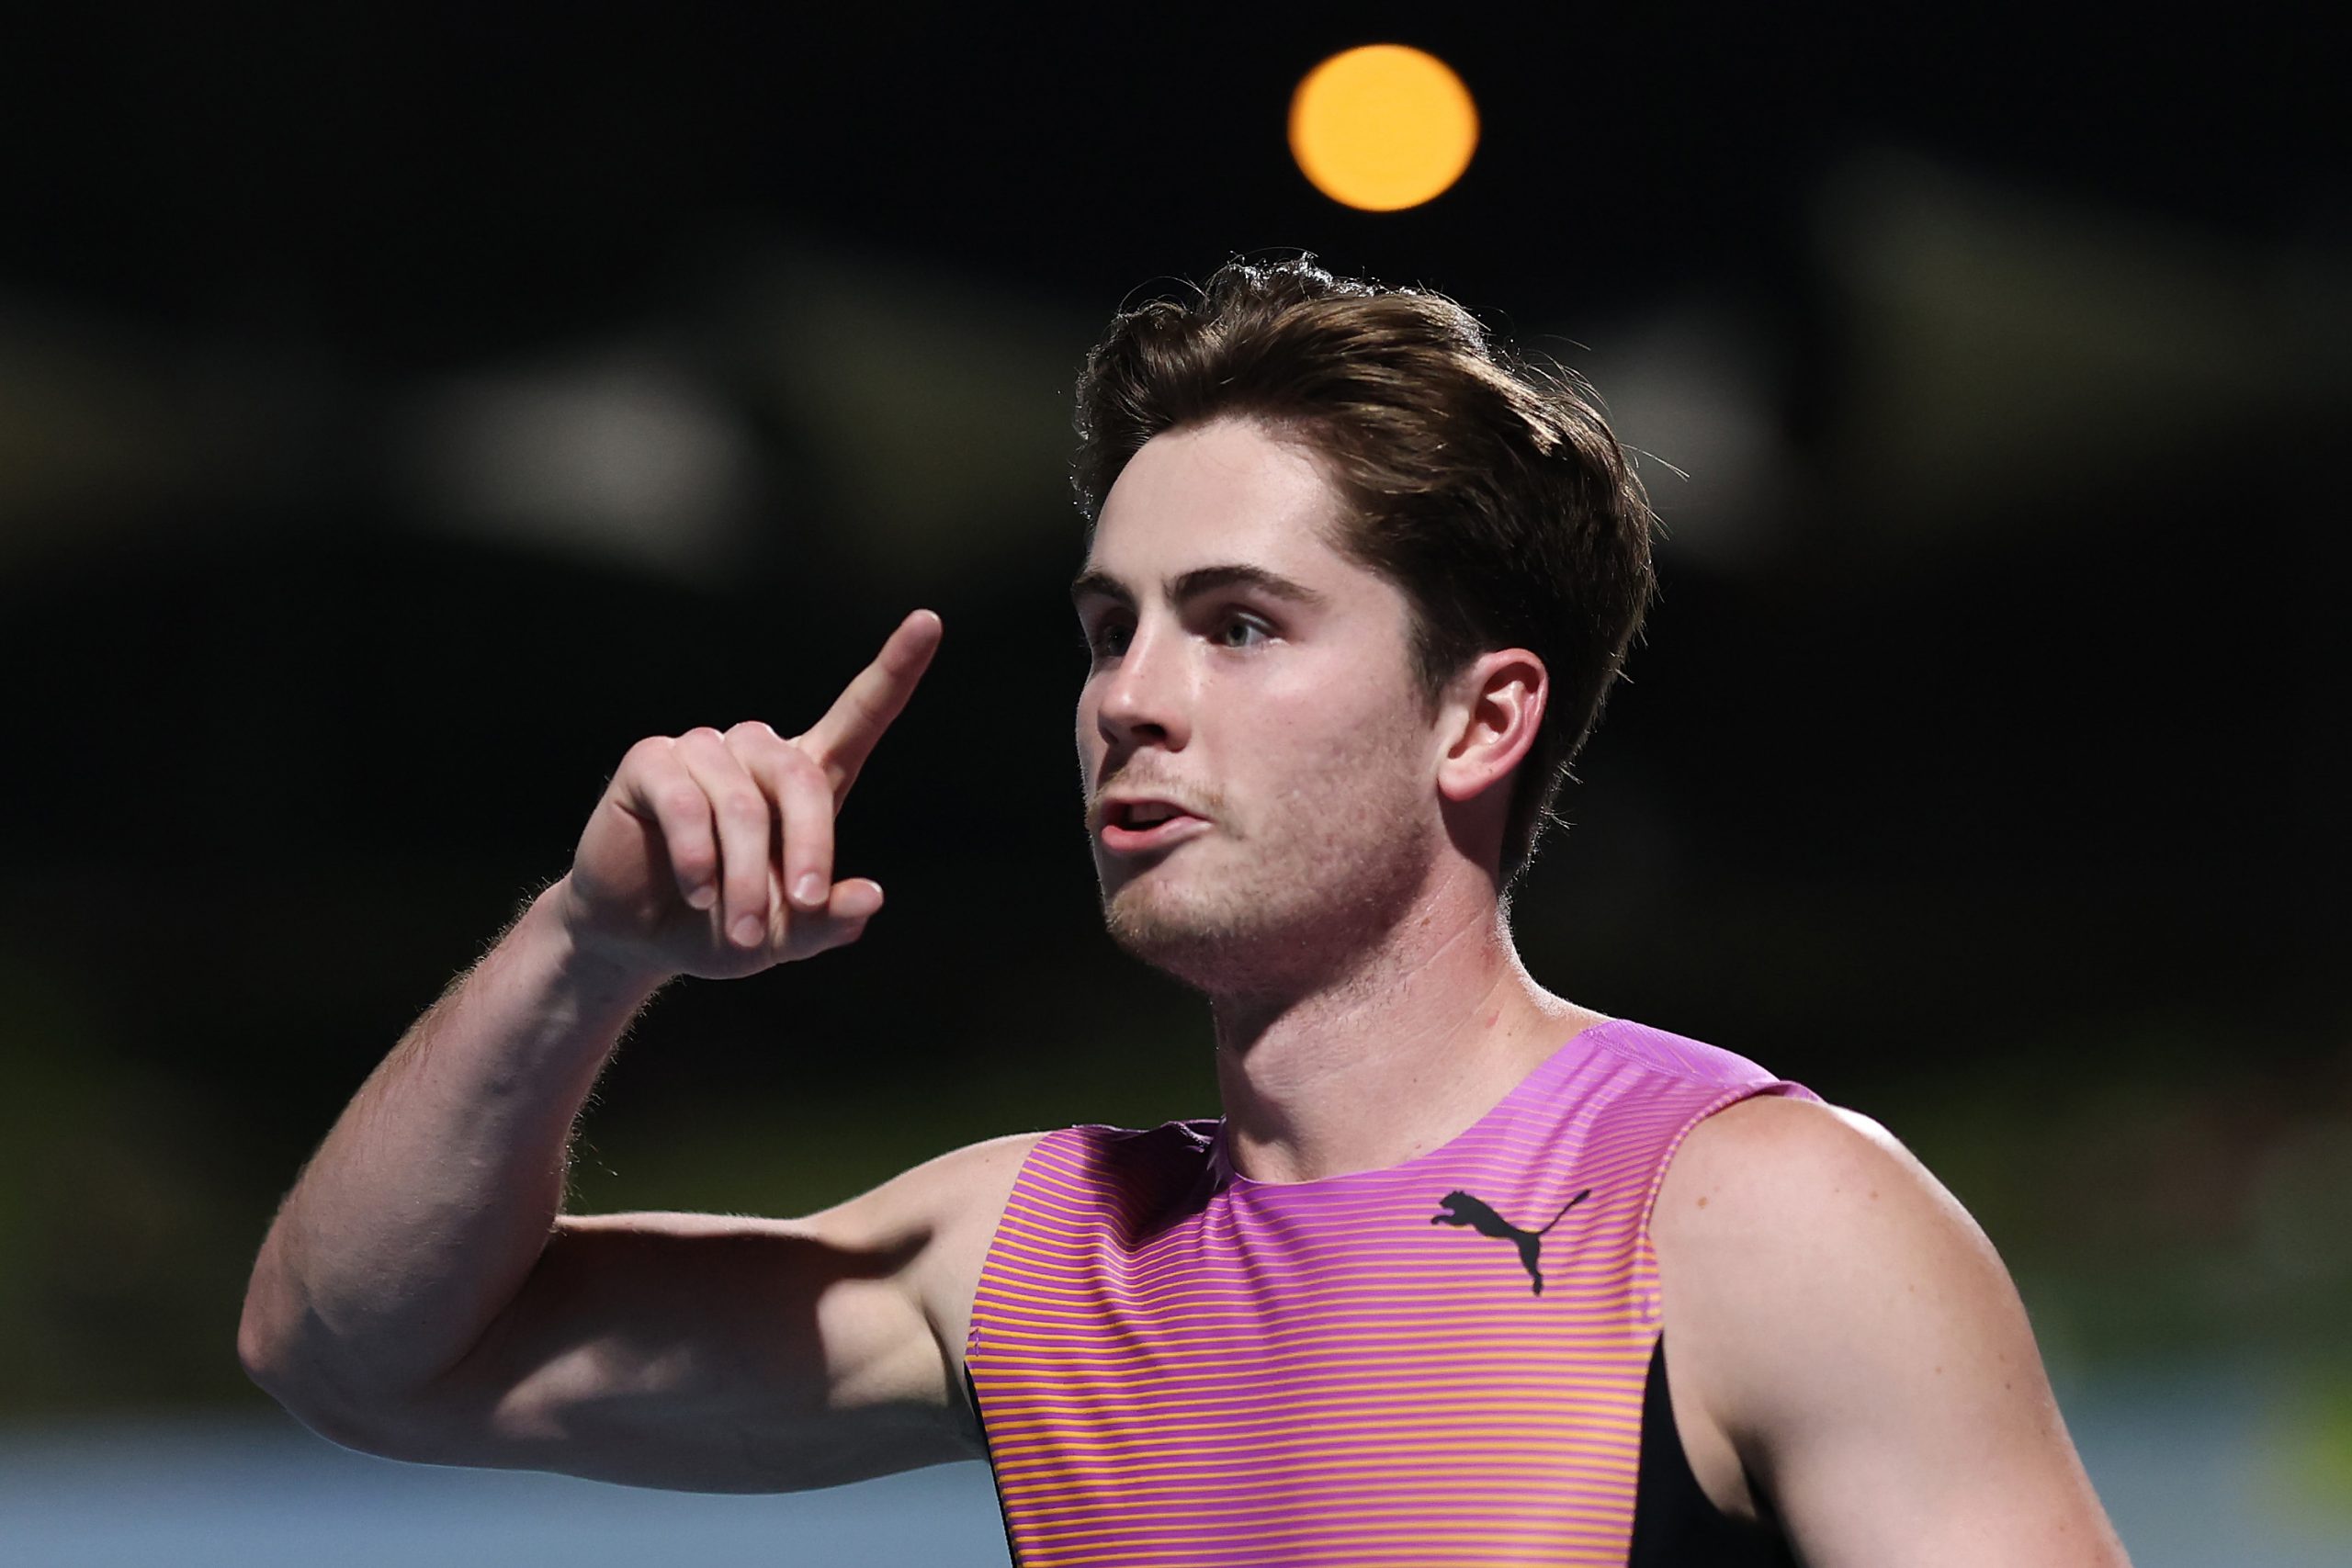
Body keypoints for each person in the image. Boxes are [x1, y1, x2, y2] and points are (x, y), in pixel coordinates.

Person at [240, 257, 2131, 1566]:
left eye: (1234, 622)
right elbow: (352, 1351)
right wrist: (591, 945)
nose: (1129, 694)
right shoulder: (1032, 1252)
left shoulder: (1752, 1221)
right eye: (1106, 627)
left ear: (1478, 715)